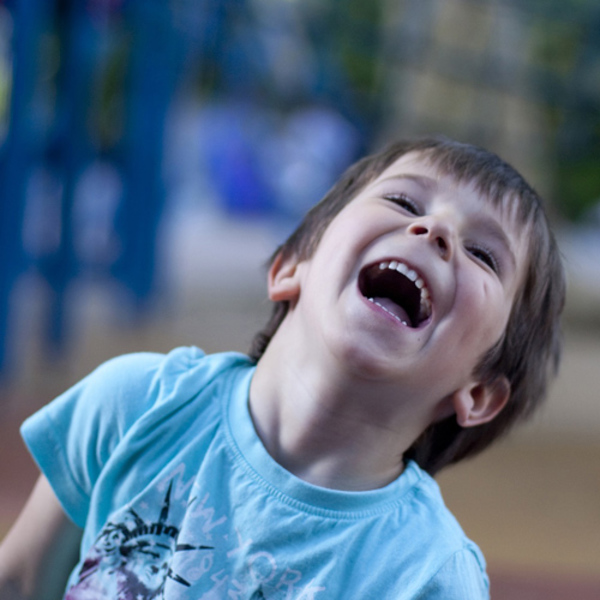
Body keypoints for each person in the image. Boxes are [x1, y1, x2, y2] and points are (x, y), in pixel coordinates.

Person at [0, 136, 565, 599]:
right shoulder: (138, 404)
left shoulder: (425, 577)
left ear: (479, 393)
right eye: (404, 202)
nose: (434, 230)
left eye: (483, 254)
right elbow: (21, 582)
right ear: (292, 265)